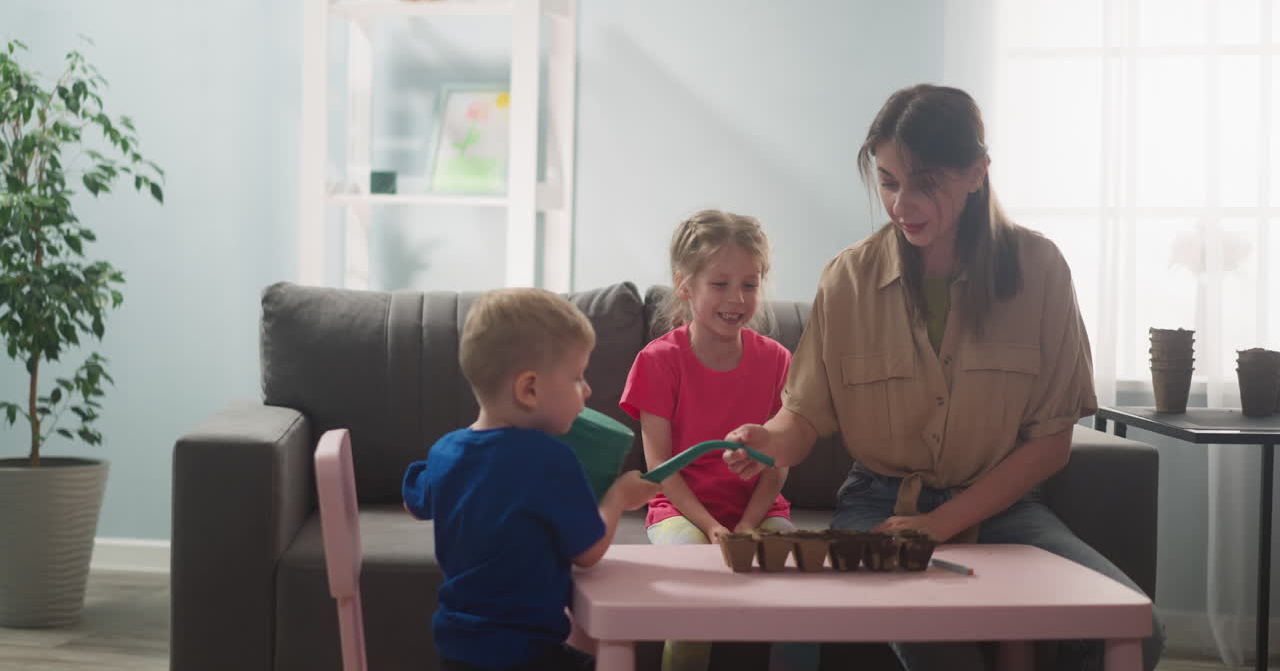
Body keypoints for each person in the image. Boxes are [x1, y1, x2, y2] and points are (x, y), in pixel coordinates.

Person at [722, 84, 1165, 671]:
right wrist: (768, 441)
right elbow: (804, 415)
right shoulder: (847, 280)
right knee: (937, 639)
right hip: (877, 505)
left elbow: (1051, 441)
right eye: (888, 181)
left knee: (1140, 627)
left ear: (977, 172)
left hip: (1004, 508)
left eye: (925, 182)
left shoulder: (1041, 271)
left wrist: (939, 525)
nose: (903, 203)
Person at [403, 288, 658, 671]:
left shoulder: (445, 453)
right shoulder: (552, 461)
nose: (586, 390)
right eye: (577, 378)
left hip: (455, 649)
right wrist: (619, 498)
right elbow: (587, 555)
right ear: (529, 389)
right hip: (528, 654)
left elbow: (414, 501)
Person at [621, 209, 818, 671]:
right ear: (686, 286)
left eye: (749, 284)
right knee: (695, 603)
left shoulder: (776, 361)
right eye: (721, 284)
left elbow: (778, 463)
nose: (737, 298)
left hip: (761, 511)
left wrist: (748, 526)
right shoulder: (658, 361)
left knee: (806, 607)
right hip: (680, 514)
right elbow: (661, 471)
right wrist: (711, 528)